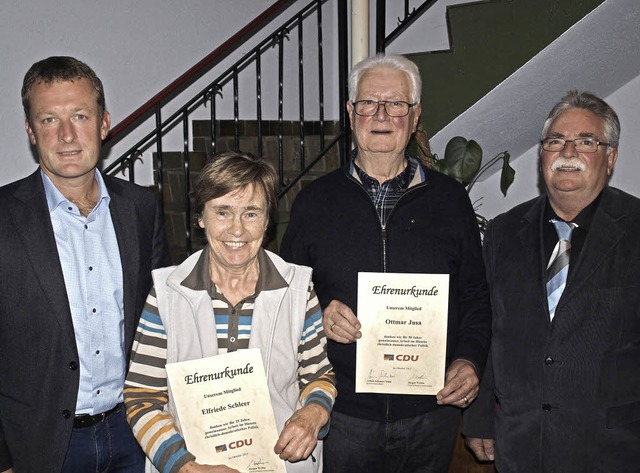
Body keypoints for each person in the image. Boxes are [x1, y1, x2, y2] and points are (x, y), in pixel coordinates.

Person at [280, 53, 492, 472]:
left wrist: (469, 359)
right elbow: (284, 299)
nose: (380, 114)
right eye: (367, 103)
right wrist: (318, 316)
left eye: (395, 104)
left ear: (414, 118)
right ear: (350, 113)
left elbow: (475, 296)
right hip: (342, 413)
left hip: (431, 413)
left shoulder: (451, 200)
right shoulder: (314, 202)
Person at [0, 56, 170, 472]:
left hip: (135, 431)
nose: (67, 135)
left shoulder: (141, 208)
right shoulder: (4, 218)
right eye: (48, 120)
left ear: (104, 124)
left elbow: (162, 319)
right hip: (41, 448)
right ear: (30, 132)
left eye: (79, 115)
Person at [124, 151, 337, 473]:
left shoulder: (297, 288)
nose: (237, 230)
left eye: (251, 213)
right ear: (201, 218)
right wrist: (185, 467)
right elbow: (142, 397)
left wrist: (313, 414)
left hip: (279, 464)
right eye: (222, 212)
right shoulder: (167, 292)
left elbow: (319, 376)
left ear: (268, 220)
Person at [463, 90, 640, 472]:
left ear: (610, 158)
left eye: (586, 142)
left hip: (614, 450)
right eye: (555, 141)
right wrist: (479, 419)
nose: (567, 151)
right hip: (520, 446)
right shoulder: (503, 232)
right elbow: (488, 329)